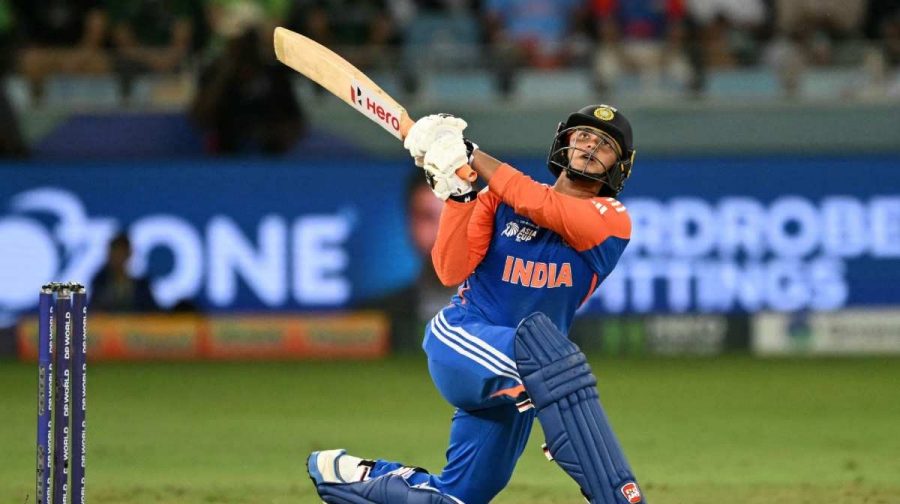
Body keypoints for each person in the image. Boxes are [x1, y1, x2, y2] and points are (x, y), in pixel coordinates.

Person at [306, 104, 646, 504]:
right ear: (564, 143)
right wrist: (459, 196)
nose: (590, 146)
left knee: (459, 498)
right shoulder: (496, 201)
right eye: (584, 136)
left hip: (527, 378)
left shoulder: (610, 219)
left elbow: (542, 206)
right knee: (551, 356)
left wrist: (469, 153)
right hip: (463, 341)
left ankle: (347, 476)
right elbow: (451, 270)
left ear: (619, 166)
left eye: (605, 144)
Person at [360, 172, 459, 352]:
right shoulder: (374, 318)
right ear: (409, 224)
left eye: (455, 217)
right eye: (427, 218)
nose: (442, 233)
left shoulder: (518, 315)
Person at [89, 232, 159, 312]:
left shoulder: (141, 287)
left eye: (121, 252)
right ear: (109, 254)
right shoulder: (100, 284)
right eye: (115, 252)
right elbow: (93, 311)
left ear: (129, 254)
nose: (118, 257)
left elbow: (154, 313)